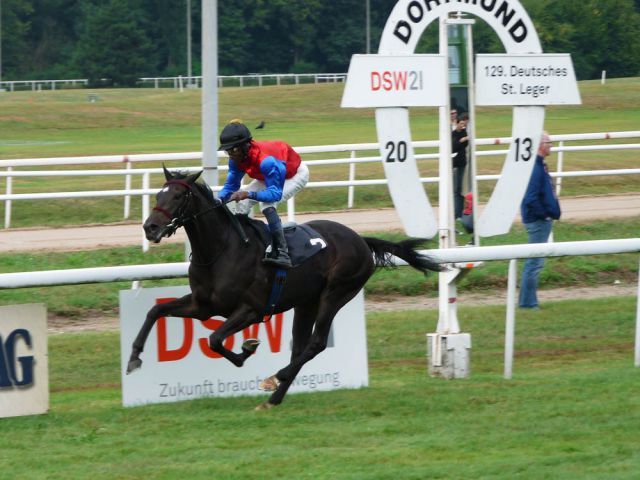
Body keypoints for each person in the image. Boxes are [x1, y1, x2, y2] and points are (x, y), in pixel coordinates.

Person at [218, 120, 309, 269]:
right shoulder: (236, 159)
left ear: (245, 146)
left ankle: (282, 252)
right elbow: (231, 186)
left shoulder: (265, 160)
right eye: (227, 151)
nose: (230, 155)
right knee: (241, 206)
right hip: (268, 176)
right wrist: (218, 199)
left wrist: (248, 194)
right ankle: (243, 243)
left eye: (232, 150)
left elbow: (274, 194)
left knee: (267, 204)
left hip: (294, 174)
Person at [519, 132, 561, 309]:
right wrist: (544, 215)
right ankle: (528, 303)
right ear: (541, 145)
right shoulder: (535, 168)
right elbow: (530, 198)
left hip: (538, 220)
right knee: (534, 263)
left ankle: (527, 301)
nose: (551, 145)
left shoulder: (538, 165)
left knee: (534, 262)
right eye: (549, 142)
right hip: (538, 221)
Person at [451, 115, 469, 220]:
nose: (463, 125)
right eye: (461, 123)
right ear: (456, 123)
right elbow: (453, 147)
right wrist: (461, 141)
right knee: (456, 189)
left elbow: (465, 145)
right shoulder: (453, 134)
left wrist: (461, 142)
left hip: (462, 162)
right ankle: (456, 213)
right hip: (454, 163)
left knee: (460, 189)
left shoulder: (464, 132)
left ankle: (459, 213)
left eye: (463, 123)